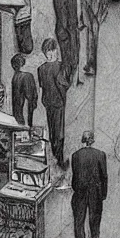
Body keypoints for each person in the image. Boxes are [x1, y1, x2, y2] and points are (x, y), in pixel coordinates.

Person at [71, 131, 107, 238]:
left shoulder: (75, 155)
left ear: (83, 140)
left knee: (79, 220)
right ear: (92, 141)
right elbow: (104, 176)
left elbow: (74, 177)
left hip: (80, 191)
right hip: (95, 191)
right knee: (95, 218)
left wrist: (77, 188)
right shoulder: (100, 155)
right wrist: (103, 194)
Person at [37, 38, 69, 166]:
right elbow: (63, 85)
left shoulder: (41, 69)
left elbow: (42, 86)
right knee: (59, 131)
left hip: (47, 102)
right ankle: (59, 158)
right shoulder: (60, 66)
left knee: (52, 129)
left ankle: (56, 155)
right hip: (58, 102)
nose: (50, 53)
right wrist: (64, 99)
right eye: (49, 51)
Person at [53, 0, 81, 86]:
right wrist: (70, 30)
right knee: (71, 56)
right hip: (69, 30)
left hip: (60, 29)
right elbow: (68, 15)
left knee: (65, 55)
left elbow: (60, 13)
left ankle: (67, 79)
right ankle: (65, 80)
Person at [79, 0, 109, 77]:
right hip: (92, 22)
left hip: (95, 21)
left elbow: (102, 6)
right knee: (90, 44)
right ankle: (90, 64)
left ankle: (92, 65)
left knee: (93, 44)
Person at [10, 53, 37, 126]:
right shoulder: (27, 76)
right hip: (26, 114)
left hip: (17, 113)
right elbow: (29, 97)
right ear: (23, 64)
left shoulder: (15, 77)